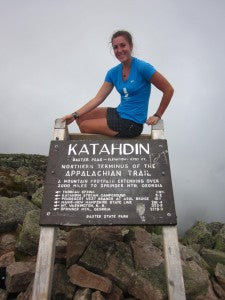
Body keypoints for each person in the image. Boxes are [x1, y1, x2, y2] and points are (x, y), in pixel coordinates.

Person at [62, 30, 174, 138]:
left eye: (123, 45)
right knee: (81, 118)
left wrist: (157, 115)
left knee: (85, 125)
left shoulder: (143, 67)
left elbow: (168, 90)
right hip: (119, 112)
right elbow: (98, 98)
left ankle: (107, 150)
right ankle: (109, 138)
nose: (119, 50)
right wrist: (74, 115)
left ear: (131, 46)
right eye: (115, 47)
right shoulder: (113, 72)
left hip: (132, 123)